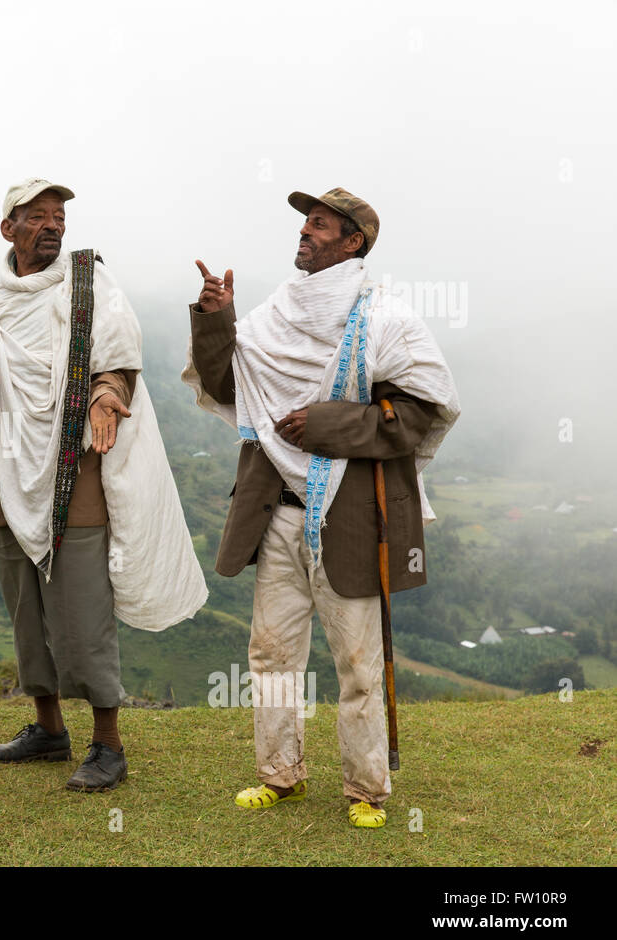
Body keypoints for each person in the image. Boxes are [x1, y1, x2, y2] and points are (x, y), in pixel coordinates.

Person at [182, 188, 459, 827]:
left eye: (319, 225)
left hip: (352, 513)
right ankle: (280, 777)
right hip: (276, 510)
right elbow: (227, 384)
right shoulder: (275, 312)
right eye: (305, 223)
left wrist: (330, 424)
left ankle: (367, 792)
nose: (303, 233)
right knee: (271, 653)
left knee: (357, 662)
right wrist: (216, 317)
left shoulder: (386, 318)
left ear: (353, 241)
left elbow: (418, 413)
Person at [0, 179, 206, 792]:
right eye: (37, 217)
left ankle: (107, 742)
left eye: (58, 217)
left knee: (81, 609)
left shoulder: (90, 282)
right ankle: (48, 728)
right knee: (25, 609)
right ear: (8, 229)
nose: (52, 226)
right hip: (2, 467)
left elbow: (118, 357)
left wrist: (108, 398)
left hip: (74, 466)